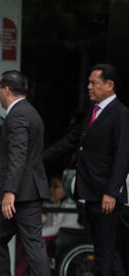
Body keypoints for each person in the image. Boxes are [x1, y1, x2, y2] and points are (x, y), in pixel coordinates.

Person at [43, 63, 129, 275]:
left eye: (94, 83)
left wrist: (112, 191)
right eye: (88, 82)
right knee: (104, 245)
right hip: (89, 190)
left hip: (106, 194)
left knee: (104, 248)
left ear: (109, 85)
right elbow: (69, 142)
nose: (89, 87)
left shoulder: (120, 113)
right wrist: (36, 160)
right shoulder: (93, 111)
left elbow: (122, 155)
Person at [0, 70, 51, 276]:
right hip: (20, 192)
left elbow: (18, 155)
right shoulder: (28, 111)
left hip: (22, 195)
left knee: (33, 246)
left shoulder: (19, 114)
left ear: (6, 89)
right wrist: (4, 185)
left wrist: (10, 191)